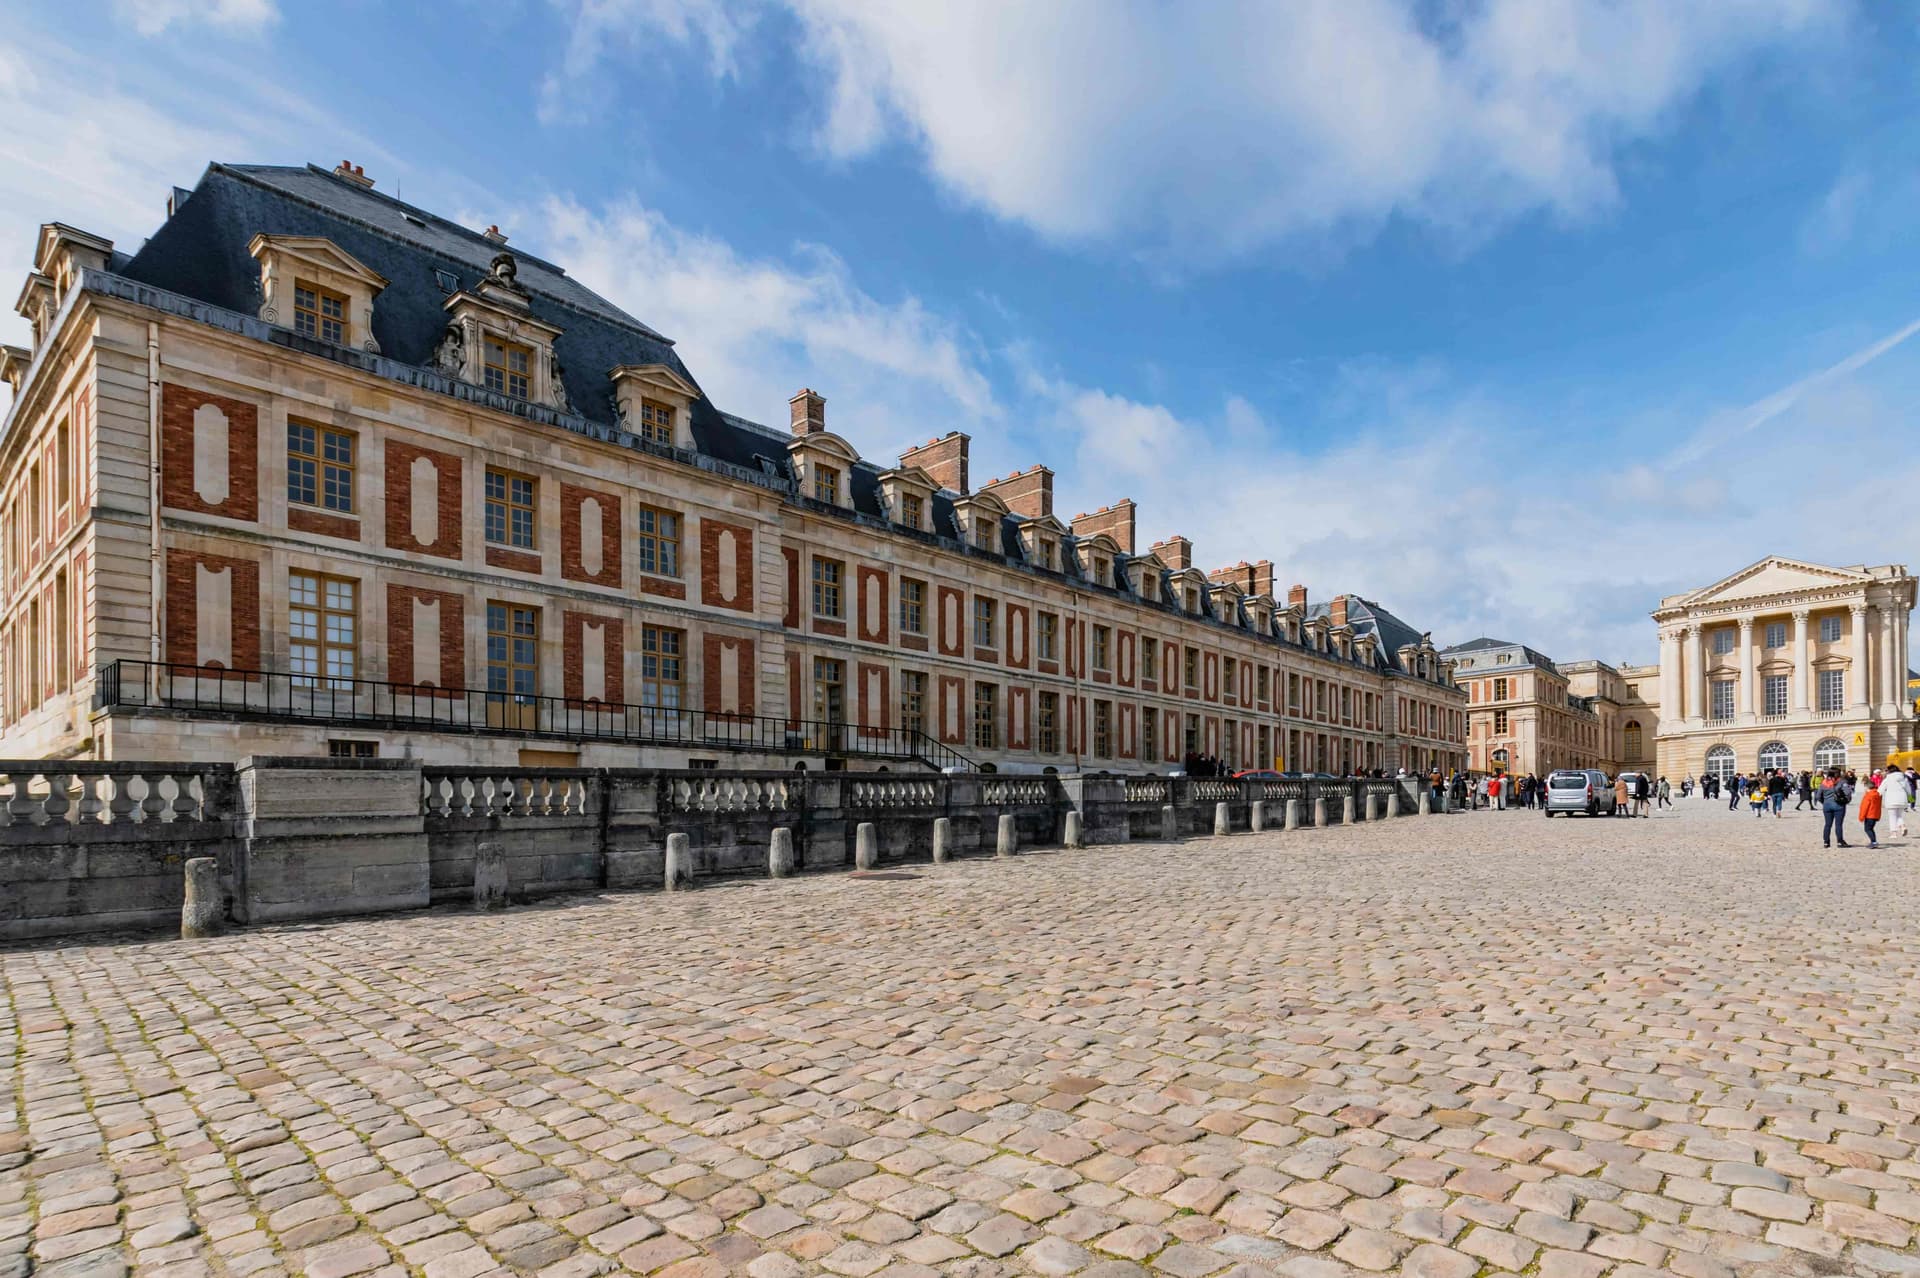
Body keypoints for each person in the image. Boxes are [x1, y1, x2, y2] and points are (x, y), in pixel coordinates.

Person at [1820, 768, 1853, 849]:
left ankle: (1826, 842)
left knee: (1827, 824)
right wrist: (1847, 801)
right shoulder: (1842, 781)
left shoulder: (1824, 782)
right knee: (1838, 824)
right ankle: (1840, 841)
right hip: (1839, 805)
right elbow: (1848, 793)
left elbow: (1818, 795)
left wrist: (1824, 802)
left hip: (1827, 805)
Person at [1860, 779, 1884, 849]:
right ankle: (1873, 841)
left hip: (1869, 815)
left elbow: (1864, 807)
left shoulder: (1868, 795)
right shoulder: (1878, 794)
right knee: (1871, 828)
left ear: (1867, 787)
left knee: (1867, 829)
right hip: (1875, 814)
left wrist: (1861, 816)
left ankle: (1874, 842)